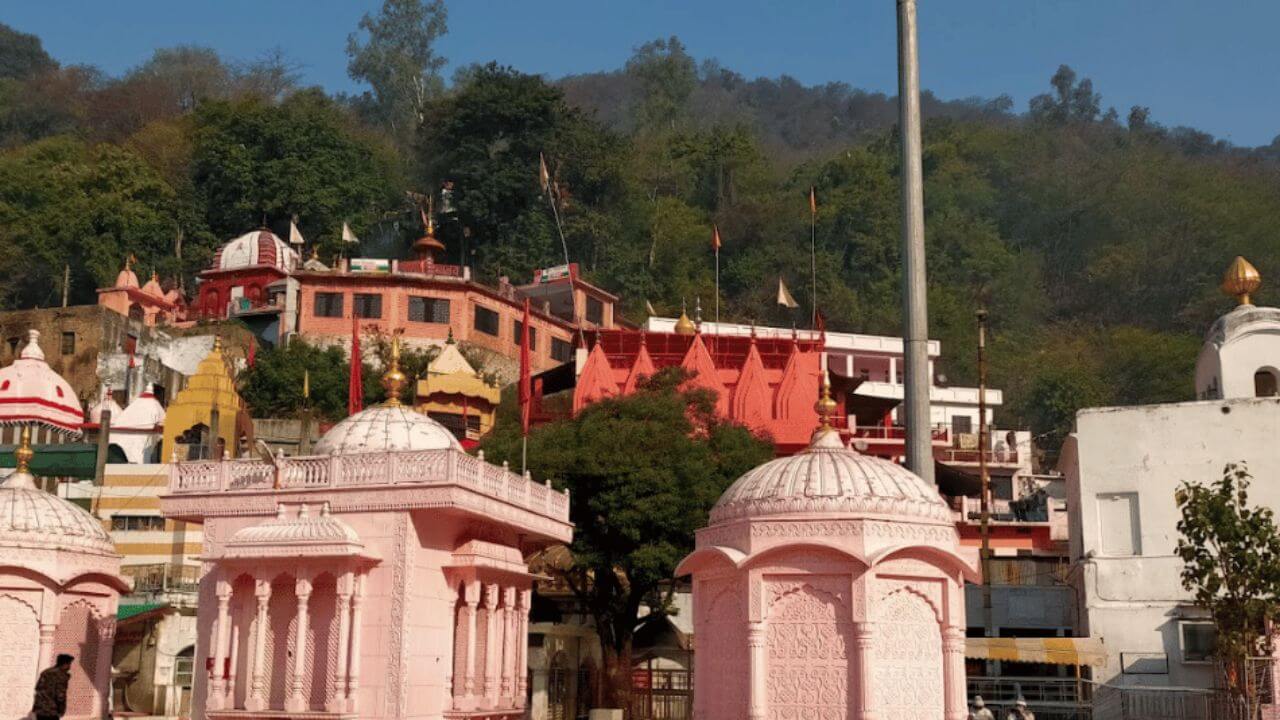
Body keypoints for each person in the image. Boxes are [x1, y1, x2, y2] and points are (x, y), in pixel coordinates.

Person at [32, 654, 73, 720]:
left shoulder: (45, 672)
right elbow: (60, 696)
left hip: (40, 709)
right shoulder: (61, 675)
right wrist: (61, 710)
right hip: (51, 711)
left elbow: (37, 688)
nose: (70, 667)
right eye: (69, 664)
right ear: (65, 664)